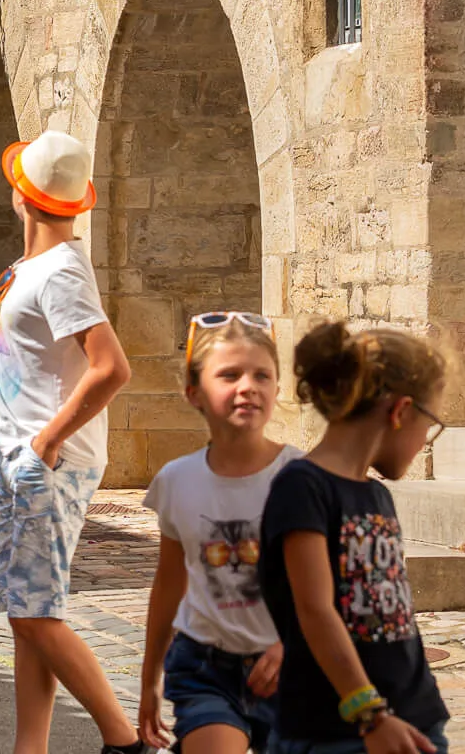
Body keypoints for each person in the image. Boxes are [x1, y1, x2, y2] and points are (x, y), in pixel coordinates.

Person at [0, 127, 145, 754]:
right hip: (23, 456)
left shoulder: (59, 272)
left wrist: (46, 441)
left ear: (20, 196)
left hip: (44, 463)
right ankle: (32, 747)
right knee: (30, 614)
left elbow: (112, 367)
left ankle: (124, 740)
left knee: (33, 615)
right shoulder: (38, 266)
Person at [259, 322, 450, 754]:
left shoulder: (377, 493)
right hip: (337, 729)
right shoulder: (303, 486)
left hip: (414, 717)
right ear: (400, 411)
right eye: (430, 425)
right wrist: (370, 713)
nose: (425, 442)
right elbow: (314, 609)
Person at [139, 312, 297, 754]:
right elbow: (170, 581)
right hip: (206, 667)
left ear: (277, 389)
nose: (248, 385)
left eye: (262, 375)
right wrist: (150, 679)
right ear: (194, 393)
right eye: (229, 375)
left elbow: (334, 585)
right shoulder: (177, 480)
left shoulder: (303, 479)